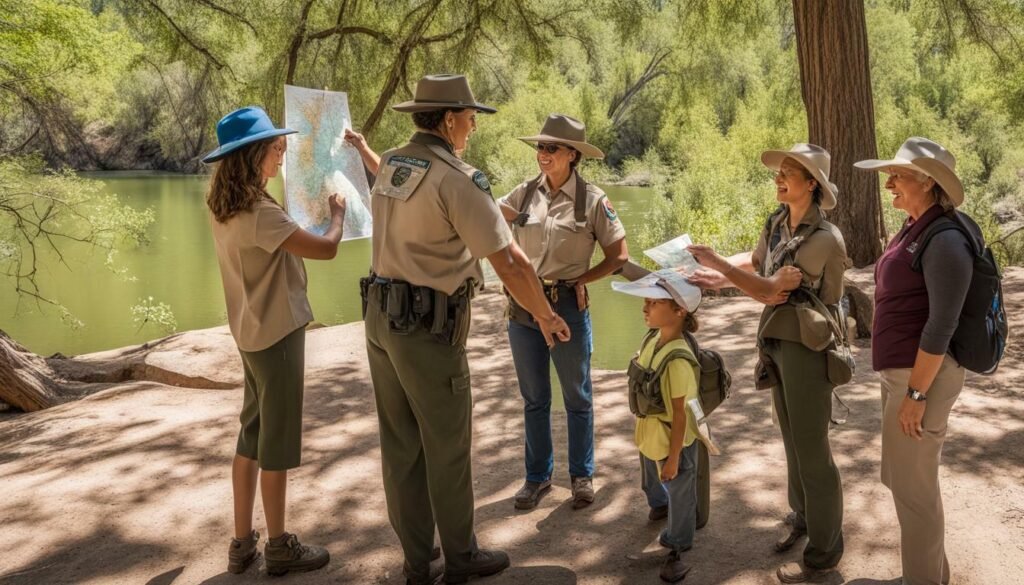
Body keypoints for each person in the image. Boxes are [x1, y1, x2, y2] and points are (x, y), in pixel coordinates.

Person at [362, 74, 571, 585]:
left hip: (380, 320)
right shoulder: (457, 177)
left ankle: (418, 562)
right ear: (450, 118)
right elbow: (513, 262)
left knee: (401, 446)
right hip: (428, 330)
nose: (473, 128)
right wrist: (545, 314)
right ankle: (460, 557)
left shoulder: (392, 161)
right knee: (447, 446)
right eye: (471, 118)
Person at [687, 144, 848, 583]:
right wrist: (716, 276)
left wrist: (720, 266)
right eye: (779, 172)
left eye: (790, 172)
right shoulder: (778, 222)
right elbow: (757, 263)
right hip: (777, 340)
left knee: (813, 449)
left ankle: (823, 553)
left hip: (809, 349)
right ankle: (803, 517)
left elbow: (769, 290)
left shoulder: (823, 238)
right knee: (791, 438)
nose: (779, 178)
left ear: (812, 183)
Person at [202, 106, 346, 576]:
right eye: (276, 148)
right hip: (278, 335)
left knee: (251, 436)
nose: (281, 156)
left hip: (249, 333)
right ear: (253, 155)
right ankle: (279, 546)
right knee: (276, 445)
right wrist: (338, 215)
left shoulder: (223, 206)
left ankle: (241, 543)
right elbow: (325, 249)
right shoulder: (259, 212)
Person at [855, 137, 976, 585]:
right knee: (907, 484)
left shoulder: (944, 239)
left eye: (898, 175)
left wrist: (917, 393)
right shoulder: (916, 226)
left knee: (914, 491)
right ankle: (928, 577)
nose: (890, 184)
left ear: (927, 182)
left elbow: (941, 325)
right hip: (905, 376)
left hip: (923, 378)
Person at [496, 114, 628, 510]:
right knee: (534, 397)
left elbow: (619, 256)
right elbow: (486, 222)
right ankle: (537, 479)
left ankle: (581, 476)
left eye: (551, 148)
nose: (543, 154)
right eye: (540, 147)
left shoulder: (594, 200)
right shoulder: (522, 194)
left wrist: (581, 280)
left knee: (577, 396)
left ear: (572, 155)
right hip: (522, 307)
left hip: (568, 306)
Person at [613, 276, 704, 583]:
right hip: (651, 432)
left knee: (678, 483)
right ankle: (658, 505)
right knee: (652, 474)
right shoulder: (653, 338)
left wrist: (675, 457)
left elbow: (679, 416)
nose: (645, 307)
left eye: (654, 302)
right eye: (646, 301)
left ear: (679, 310)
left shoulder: (679, 359)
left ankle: (679, 538)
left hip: (671, 438)